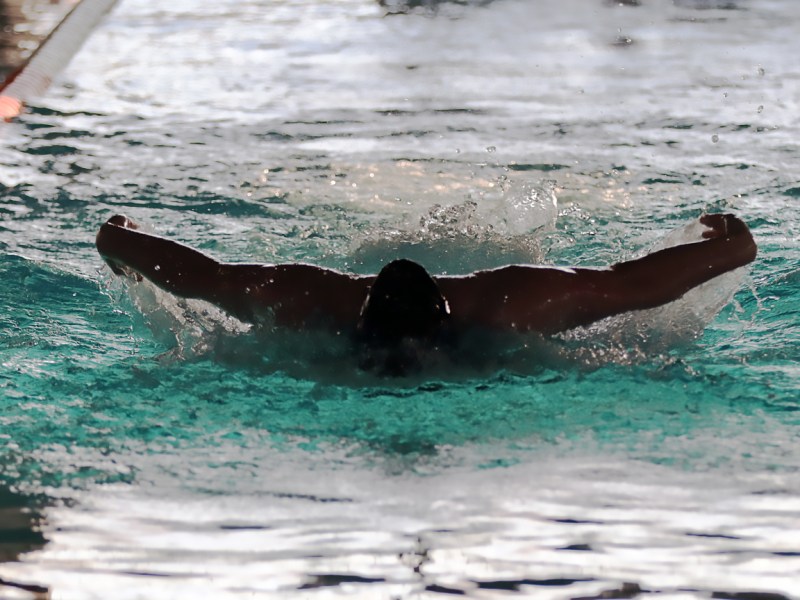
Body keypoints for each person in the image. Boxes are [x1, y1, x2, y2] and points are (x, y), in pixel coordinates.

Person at [96, 213, 757, 376]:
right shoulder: (515, 304)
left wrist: (120, 239)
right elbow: (632, 283)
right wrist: (724, 238)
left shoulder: (302, 300)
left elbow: (200, 274)